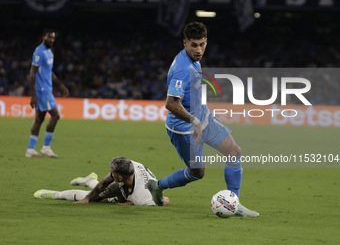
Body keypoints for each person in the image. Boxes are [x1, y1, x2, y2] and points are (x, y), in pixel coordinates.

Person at [146, 22, 258, 217]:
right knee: (197, 173)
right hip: (184, 126)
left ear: (206, 41)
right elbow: (171, 104)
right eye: (193, 45)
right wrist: (195, 121)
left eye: (202, 44)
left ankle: (234, 203)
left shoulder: (194, 60)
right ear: (184, 43)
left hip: (202, 117)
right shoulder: (182, 68)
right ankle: (157, 186)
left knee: (234, 151)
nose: (198, 50)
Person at [34, 157, 170, 206]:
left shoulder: (143, 198)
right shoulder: (128, 165)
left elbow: (166, 201)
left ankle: (88, 181)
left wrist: (134, 202)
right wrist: (88, 198)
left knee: (105, 195)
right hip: (127, 189)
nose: (110, 173)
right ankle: (56, 194)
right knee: (94, 197)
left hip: (133, 194)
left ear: (120, 177)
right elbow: (105, 182)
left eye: (113, 172)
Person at [25, 29, 69, 158]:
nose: (51, 40)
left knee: (39, 118)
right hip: (42, 90)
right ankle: (46, 147)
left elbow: (49, 71)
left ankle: (30, 149)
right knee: (55, 115)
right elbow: (32, 73)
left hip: (47, 88)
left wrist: (60, 84)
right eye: (49, 37)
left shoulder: (50, 51)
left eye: (53, 38)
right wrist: (33, 94)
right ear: (43, 37)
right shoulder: (39, 51)